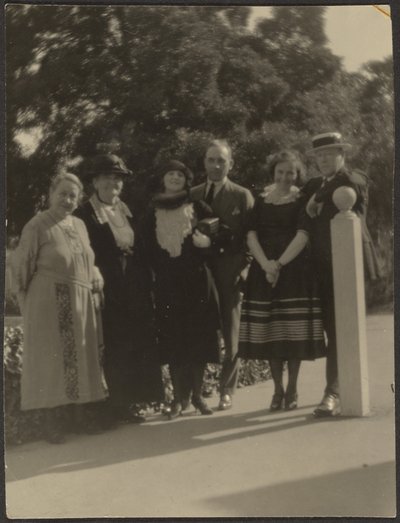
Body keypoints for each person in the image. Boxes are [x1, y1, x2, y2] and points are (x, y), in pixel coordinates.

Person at [13, 173, 107, 443]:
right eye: (62, 194)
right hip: (48, 301)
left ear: (78, 200)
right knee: (51, 360)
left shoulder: (80, 224)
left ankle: (78, 417)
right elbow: (21, 266)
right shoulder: (37, 225)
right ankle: (51, 423)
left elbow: (86, 257)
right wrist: (26, 301)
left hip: (79, 300)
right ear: (50, 195)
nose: (67, 200)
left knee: (79, 356)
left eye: (72, 196)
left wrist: (94, 271)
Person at [75, 154, 164, 425]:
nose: (112, 183)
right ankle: (112, 406)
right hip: (106, 286)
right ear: (94, 182)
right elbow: (82, 251)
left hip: (134, 284)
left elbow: (143, 245)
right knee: (114, 344)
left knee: (136, 341)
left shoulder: (128, 211)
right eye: (106, 177)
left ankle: (130, 403)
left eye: (117, 179)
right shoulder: (83, 214)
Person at [238, 150, 326, 410]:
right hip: (263, 271)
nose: (285, 177)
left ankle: (293, 389)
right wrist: (265, 264)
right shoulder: (260, 199)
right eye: (280, 172)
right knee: (271, 334)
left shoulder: (302, 200)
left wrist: (279, 264)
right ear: (273, 172)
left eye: (291, 173)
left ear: (297, 174)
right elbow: (250, 235)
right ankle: (277, 391)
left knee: (292, 334)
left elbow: (303, 234)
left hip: (294, 271)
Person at [303, 131, 380, 417]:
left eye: (329, 154)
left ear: (342, 155)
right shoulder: (315, 184)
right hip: (323, 266)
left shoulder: (353, 178)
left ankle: (333, 393)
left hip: (350, 263)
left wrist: (318, 198)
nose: (323, 160)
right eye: (319, 156)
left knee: (341, 329)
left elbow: (353, 183)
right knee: (332, 328)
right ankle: (339, 387)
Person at [142, 160, 221, 419]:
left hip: (197, 281)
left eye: (180, 174)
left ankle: (197, 396)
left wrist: (207, 243)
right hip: (168, 285)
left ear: (186, 180)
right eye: (170, 174)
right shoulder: (151, 212)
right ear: (162, 179)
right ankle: (177, 399)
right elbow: (144, 248)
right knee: (174, 341)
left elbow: (220, 234)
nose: (175, 178)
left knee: (198, 340)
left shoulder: (198, 207)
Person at [191, 140, 254, 411]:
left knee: (231, 333)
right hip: (199, 274)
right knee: (199, 331)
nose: (216, 165)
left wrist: (245, 269)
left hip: (230, 271)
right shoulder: (192, 194)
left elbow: (251, 236)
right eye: (211, 160)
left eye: (221, 160)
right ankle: (195, 391)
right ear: (204, 162)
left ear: (231, 164)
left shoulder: (241, 195)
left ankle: (226, 390)